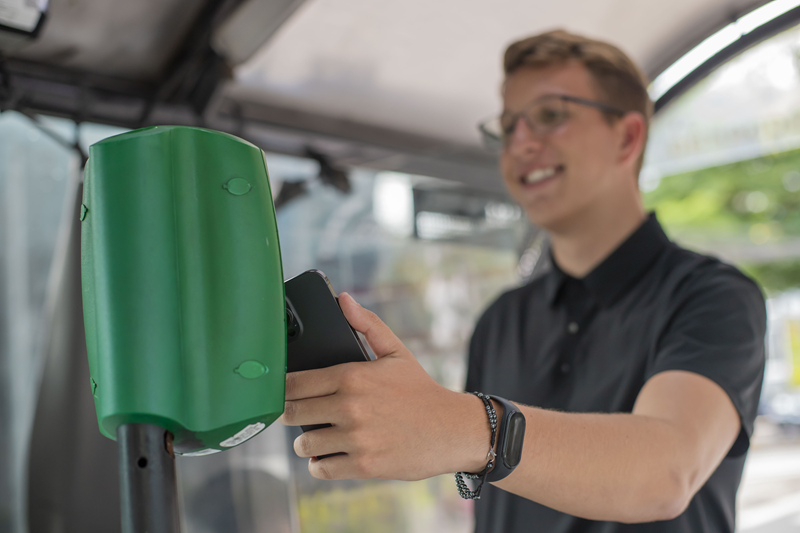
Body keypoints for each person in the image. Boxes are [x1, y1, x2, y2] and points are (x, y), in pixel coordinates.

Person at [279, 30, 766, 532]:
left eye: (552, 116)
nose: (521, 143)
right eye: (509, 127)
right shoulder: (500, 320)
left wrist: (460, 425)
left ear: (627, 137)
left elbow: (666, 472)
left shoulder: (713, 298)